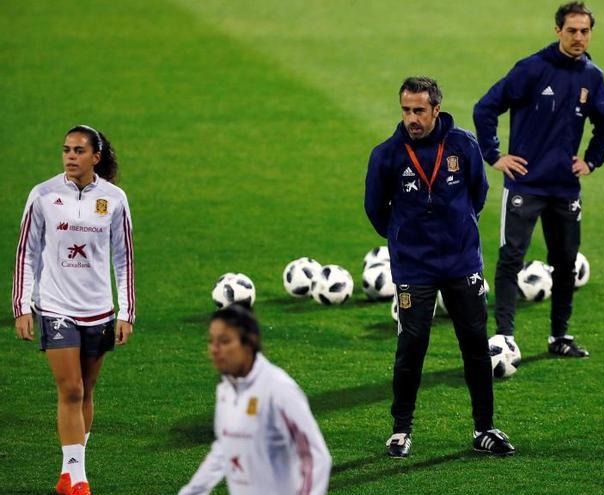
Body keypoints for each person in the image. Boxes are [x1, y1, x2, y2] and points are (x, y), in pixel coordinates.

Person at [365, 76, 514, 457]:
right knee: (412, 344)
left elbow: (478, 194)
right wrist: (405, 237)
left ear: (435, 109)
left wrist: (458, 228)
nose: (411, 118)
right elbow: (374, 209)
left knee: (475, 345)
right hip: (414, 267)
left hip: (461, 261)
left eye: (418, 110)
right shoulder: (386, 154)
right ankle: (401, 430)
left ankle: (485, 428)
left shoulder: (463, 145)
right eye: (405, 109)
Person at [473, 1, 604, 358]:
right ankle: (505, 336)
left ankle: (559, 337)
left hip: (565, 187)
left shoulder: (592, 77)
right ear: (557, 31)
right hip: (525, 184)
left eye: (585, 31)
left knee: (565, 262)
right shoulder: (532, 69)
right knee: (511, 258)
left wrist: (592, 160)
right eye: (572, 30)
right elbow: (485, 107)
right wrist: (495, 155)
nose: (579, 37)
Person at [12, 125, 136, 495]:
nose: (70, 156)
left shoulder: (113, 199)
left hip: (99, 310)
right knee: (70, 389)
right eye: (66, 149)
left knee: (87, 391)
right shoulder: (44, 195)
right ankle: (78, 479)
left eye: (79, 151)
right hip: (55, 306)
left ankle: (71, 473)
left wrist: (126, 312)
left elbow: (123, 259)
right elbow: (26, 253)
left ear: (95, 157)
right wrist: (22, 305)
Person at [179, 304, 331, 494]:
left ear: (249, 342)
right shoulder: (226, 390)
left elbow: (316, 457)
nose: (215, 350)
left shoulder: (278, 389)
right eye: (211, 341)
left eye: (225, 341)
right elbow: (224, 448)